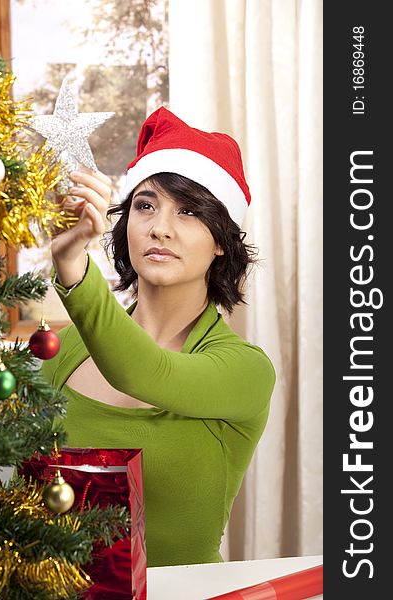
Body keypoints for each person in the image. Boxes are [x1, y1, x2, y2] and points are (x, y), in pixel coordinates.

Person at [42, 107, 276, 568]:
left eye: (188, 212)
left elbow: (143, 371)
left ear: (222, 241)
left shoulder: (246, 370)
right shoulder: (65, 352)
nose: (160, 228)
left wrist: (71, 265)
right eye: (145, 206)